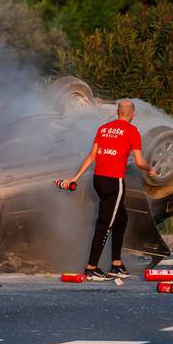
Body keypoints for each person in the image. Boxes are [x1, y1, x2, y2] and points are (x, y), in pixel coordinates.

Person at [60, 100, 156, 281]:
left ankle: (116, 264)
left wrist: (75, 178)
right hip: (114, 182)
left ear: (117, 112)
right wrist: (150, 168)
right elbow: (139, 161)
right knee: (105, 224)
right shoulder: (132, 132)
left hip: (98, 180)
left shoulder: (103, 129)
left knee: (121, 219)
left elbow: (92, 156)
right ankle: (91, 268)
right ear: (133, 114)